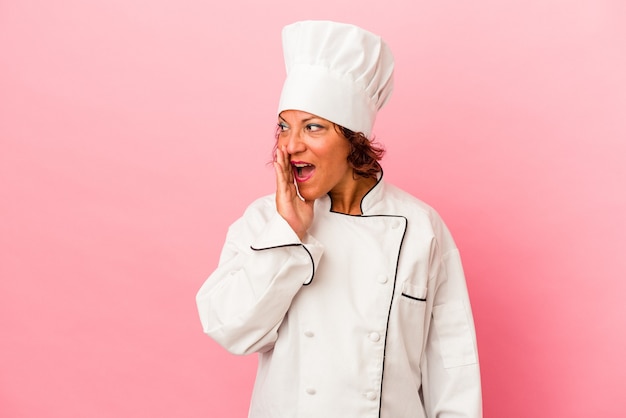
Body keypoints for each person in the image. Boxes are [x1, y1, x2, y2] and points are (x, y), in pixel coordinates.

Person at [196, 20, 482, 418]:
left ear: (354, 140)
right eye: (283, 126)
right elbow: (231, 330)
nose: (291, 145)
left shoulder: (421, 228)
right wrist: (288, 234)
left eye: (312, 127)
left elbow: (453, 370)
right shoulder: (265, 221)